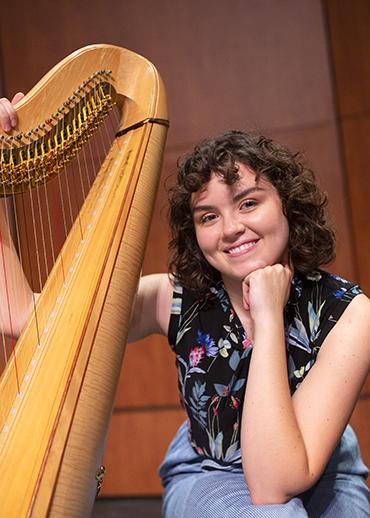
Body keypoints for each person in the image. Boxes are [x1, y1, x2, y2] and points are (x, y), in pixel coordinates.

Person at [1, 97, 369, 517]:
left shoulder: (349, 314)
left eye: (249, 203)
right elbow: (23, 317)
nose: (231, 229)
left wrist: (269, 314)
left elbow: (285, 473)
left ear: (288, 205)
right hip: (209, 469)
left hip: (319, 468)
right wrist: (268, 319)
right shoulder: (174, 298)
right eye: (208, 217)